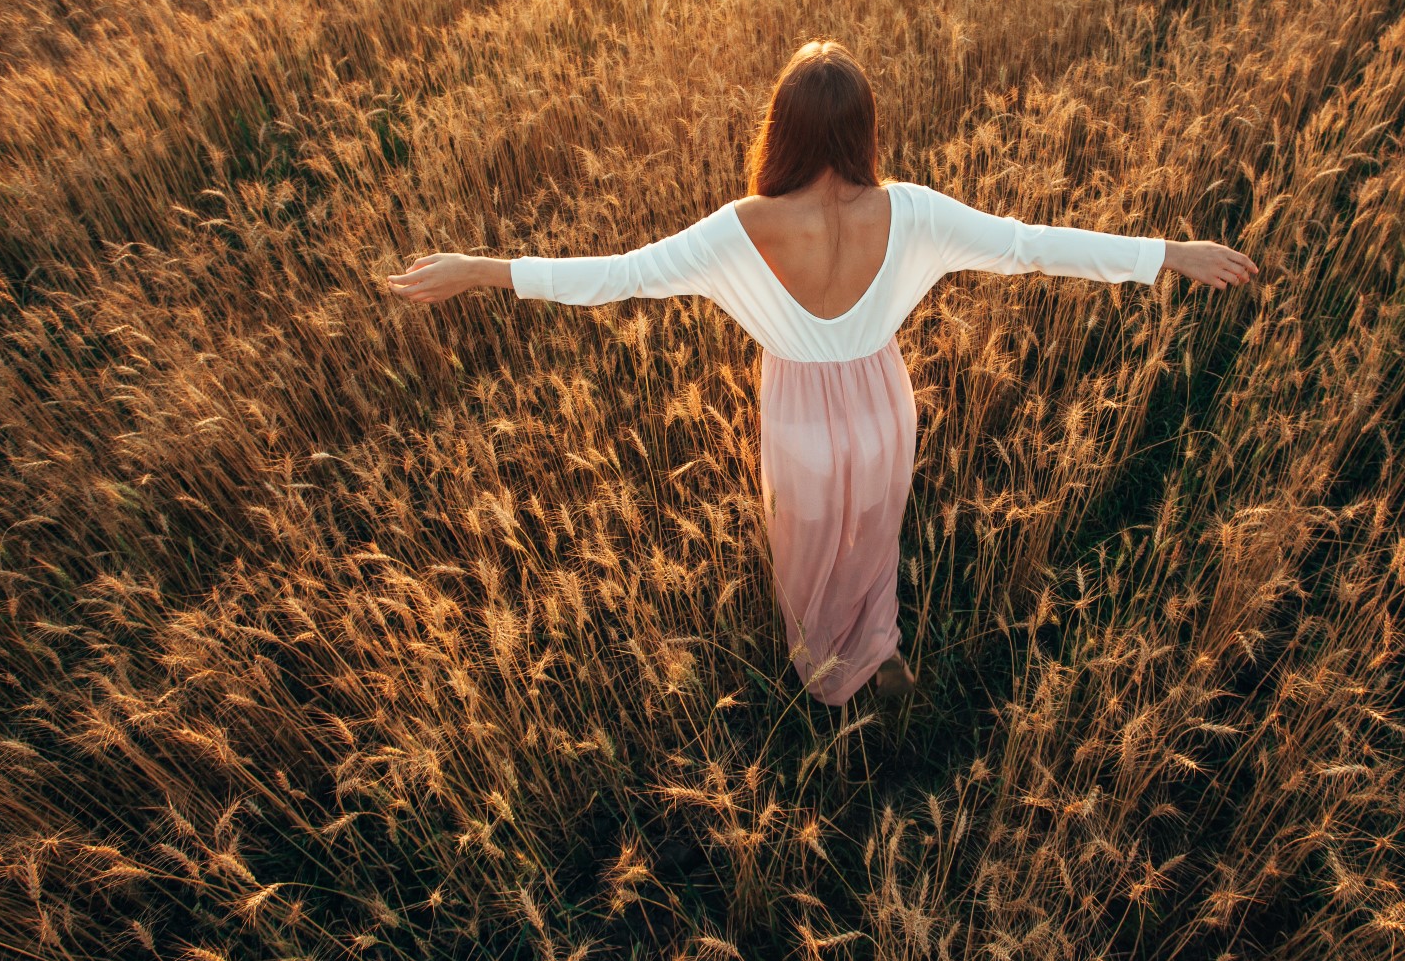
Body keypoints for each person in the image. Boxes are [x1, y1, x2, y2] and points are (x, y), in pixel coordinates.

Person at [386, 41, 1258, 705]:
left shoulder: (743, 225)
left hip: (800, 419)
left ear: (783, 129)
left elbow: (615, 275)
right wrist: (1168, 253)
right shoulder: (912, 212)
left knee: (805, 549)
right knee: (876, 534)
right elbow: (1032, 247)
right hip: (882, 404)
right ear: (864, 129)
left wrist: (483, 267)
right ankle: (882, 656)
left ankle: (827, 675)